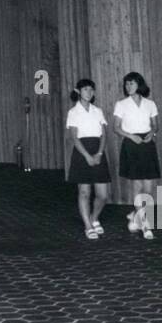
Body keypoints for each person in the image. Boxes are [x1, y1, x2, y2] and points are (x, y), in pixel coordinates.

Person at [113, 71, 161, 240]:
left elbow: (155, 125)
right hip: (131, 144)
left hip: (147, 145)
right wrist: (130, 136)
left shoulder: (150, 104)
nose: (128, 86)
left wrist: (151, 134)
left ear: (139, 84)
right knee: (137, 187)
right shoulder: (121, 104)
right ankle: (145, 224)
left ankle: (135, 215)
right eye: (126, 84)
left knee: (148, 188)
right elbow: (116, 127)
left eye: (131, 83)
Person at [65, 77, 112, 239]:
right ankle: (87, 226)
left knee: (103, 195)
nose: (89, 92)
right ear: (78, 92)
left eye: (91, 90)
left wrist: (98, 154)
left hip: (97, 151)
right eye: (85, 89)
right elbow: (74, 137)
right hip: (81, 152)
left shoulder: (98, 111)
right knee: (84, 192)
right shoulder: (73, 112)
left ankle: (94, 218)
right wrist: (86, 156)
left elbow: (104, 135)